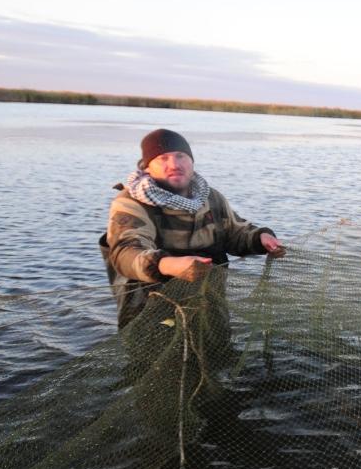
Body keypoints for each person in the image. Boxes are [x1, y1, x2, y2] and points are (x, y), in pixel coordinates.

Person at [101, 128, 285, 337]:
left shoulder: (211, 197)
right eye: (163, 158)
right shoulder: (130, 202)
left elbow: (235, 232)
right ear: (147, 167)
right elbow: (125, 253)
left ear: (191, 161)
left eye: (181, 156)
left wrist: (261, 238)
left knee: (217, 357)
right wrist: (168, 265)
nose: (174, 164)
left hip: (209, 306)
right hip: (149, 312)